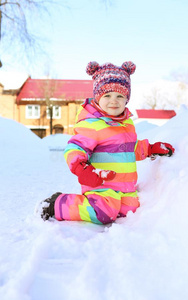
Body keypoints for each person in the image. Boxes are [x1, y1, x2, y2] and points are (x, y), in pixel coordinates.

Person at [40, 61, 174, 225]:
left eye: (120, 96)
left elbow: (130, 148)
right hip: (101, 185)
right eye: (107, 95)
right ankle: (58, 204)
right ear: (98, 97)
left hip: (124, 188)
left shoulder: (127, 124)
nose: (114, 101)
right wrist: (82, 169)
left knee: (131, 212)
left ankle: (110, 205)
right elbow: (74, 149)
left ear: (126, 99)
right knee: (103, 213)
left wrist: (150, 149)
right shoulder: (92, 124)